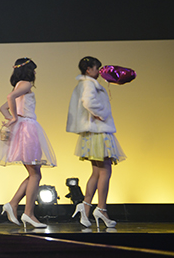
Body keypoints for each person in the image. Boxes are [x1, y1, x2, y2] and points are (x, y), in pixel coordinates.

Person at [0, 58, 56, 229]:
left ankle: (13, 204)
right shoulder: (26, 84)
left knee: (34, 173)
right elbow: (9, 98)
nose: (35, 73)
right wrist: (14, 118)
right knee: (35, 174)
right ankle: (28, 213)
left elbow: (3, 107)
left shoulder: (18, 86)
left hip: (23, 128)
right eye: (33, 70)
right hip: (28, 129)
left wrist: (12, 118)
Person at [66, 56, 125, 228]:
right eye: (96, 68)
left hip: (93, 133)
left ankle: (85, 208)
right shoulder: (89, 84)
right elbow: (88, 101)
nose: (98, 71)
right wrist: (101, 114)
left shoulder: (85, 83)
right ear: (88, 69)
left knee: (97, 172)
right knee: (105, 170)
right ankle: (101, 208)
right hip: (98, 131)